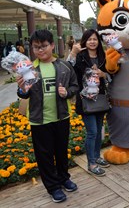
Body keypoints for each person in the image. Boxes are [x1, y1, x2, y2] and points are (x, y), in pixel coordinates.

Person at [16, 29, 79, 203]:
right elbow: (24, 95)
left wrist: (67, 92)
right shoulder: (30, 69)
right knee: (44, 155)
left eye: (44, 46)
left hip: (61, 117)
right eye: (36, 47)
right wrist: (22, 88)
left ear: (52, 45)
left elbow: (75, 86)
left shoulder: (64, 66)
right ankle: (53, 187)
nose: (40, 50)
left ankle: (64, 178)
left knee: (61, 151)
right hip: (39, 120)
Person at [68, 29, 110, 176]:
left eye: (95, 39)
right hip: (85, 99)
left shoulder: (102, 56)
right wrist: (73, 53)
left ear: (98, 41)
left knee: (98, 131)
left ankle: (97, 157)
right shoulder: (80, 57)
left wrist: (103, 74)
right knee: (92, 132)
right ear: (84, 41)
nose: (92, 42)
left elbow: (110, 74)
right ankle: (91, 163)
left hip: (100, 97)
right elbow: (68, 70)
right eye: (89, 39)